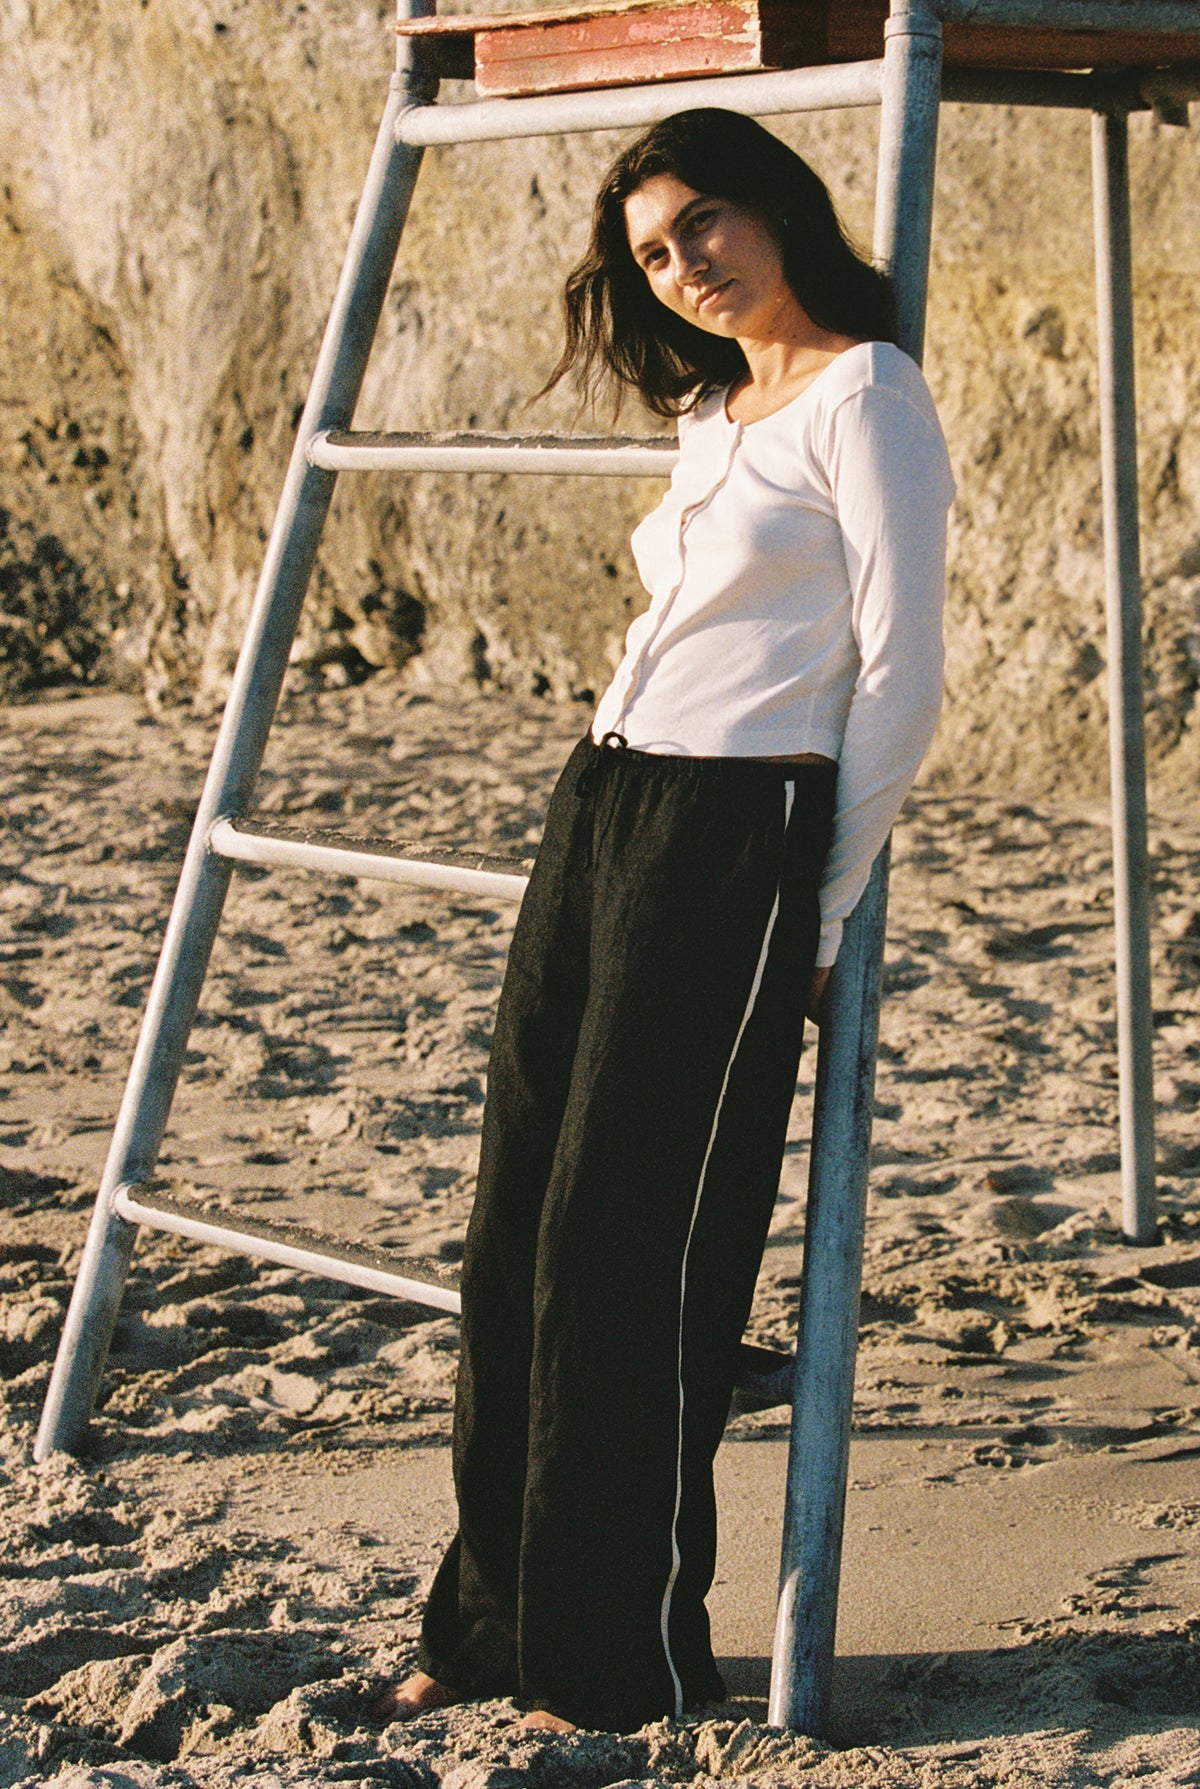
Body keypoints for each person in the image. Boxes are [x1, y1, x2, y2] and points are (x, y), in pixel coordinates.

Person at [377, 106, 955, 1735]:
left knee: (630, 1253)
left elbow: (901, 680)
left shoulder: (869, 394)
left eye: (702, 222)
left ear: (773, 205)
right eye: (652, 250)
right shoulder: (714, 408)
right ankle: (489, 1623)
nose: (685, 264)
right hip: (605, 806)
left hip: (734, 835)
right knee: (513, 1242)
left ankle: (609, 1654)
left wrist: (821, 907)